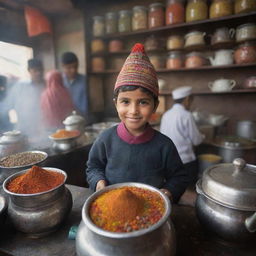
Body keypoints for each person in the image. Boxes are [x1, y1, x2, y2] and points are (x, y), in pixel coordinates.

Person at [86, 43, 189, 203]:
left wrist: (167, 192)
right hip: (112, 207)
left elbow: (180, 177)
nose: (133, 110)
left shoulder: (164, 145)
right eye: (125, 101)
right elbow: (93, 167)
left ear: (155, 106)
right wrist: (99, 182)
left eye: (143, 102)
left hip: (150, 210)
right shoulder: (105, 139)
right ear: (116, 104)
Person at [160, 86, 205, 184]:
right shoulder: (187, 115)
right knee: (188, 189)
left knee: (173, 188)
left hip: (168, 161)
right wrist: (203, 136)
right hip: (185, 162)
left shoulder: (166, 114)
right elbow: (196, 140)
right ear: (187, 99)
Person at [4, 59, 45, 136]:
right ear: (29, 71)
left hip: (43, 131)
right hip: (23, 131)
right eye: (35, 71)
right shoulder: (20, 86)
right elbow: (7, 106)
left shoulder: (47, 86)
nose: (39, 73)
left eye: (40, 70)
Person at [61, 52, 88, 117]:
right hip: (65, 120)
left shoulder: (85, 81)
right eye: (69, 68)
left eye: (75, 67)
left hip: (84, 119)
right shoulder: (60, 82)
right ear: (63, 66)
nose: (73, 70)